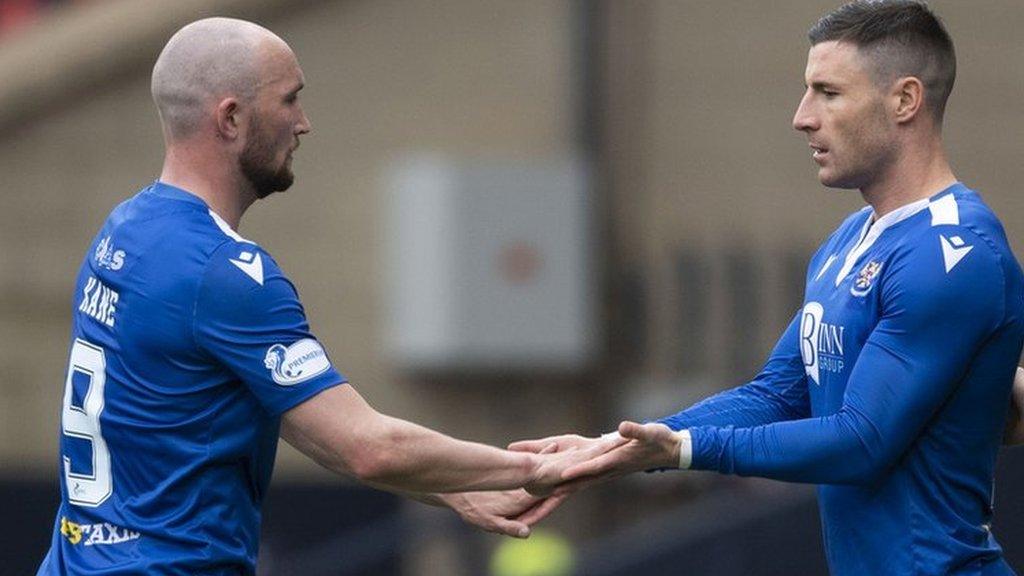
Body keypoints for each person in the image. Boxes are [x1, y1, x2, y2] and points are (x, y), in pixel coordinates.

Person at [35, 17, 616, 575]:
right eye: (289, 99)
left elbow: (286, 411)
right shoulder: (224, 273)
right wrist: (535, 467)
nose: (304, 122)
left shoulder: (126, 229)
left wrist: (453, 486)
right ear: (232, 118)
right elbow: (368, 446)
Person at [514, 2, 1024, 574]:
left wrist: (684, 451)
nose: (802, 117)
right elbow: (776, 396)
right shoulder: (849, 240)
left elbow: (862, 441)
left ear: (905, 100)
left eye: (828, 93)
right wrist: (618, 447)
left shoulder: (953, 254)